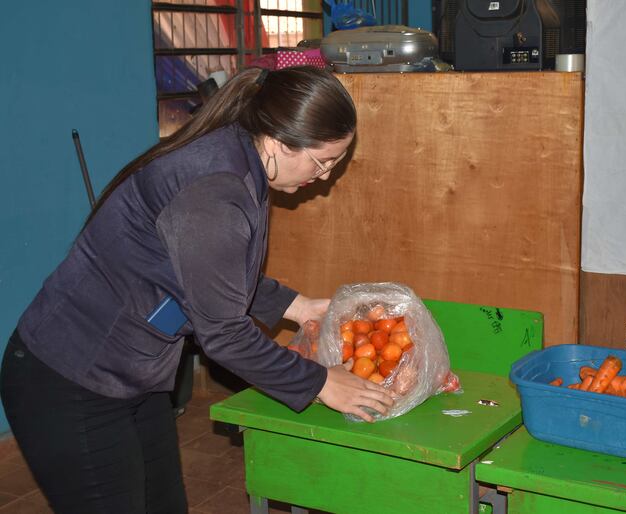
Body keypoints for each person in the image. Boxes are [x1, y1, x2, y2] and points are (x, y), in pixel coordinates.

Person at [0, 66, 395, 513]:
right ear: (281, 141)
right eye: (322, 161)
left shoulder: (242, 153)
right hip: (71, 377)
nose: (323, 177)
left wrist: (296, 305)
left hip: (132, 373)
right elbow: (224, 333)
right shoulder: (215, 192)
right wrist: (321, 382)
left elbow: (213, 273)